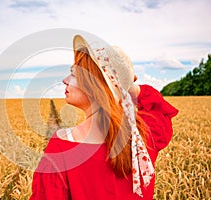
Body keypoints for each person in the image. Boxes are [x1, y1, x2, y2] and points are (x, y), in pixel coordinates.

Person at [30, 35, 178, 200]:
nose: (65, 80)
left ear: (95, 83)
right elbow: (159, 108)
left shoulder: (62, 147)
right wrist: (127, 86)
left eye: (73, 74)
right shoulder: (144, 135)